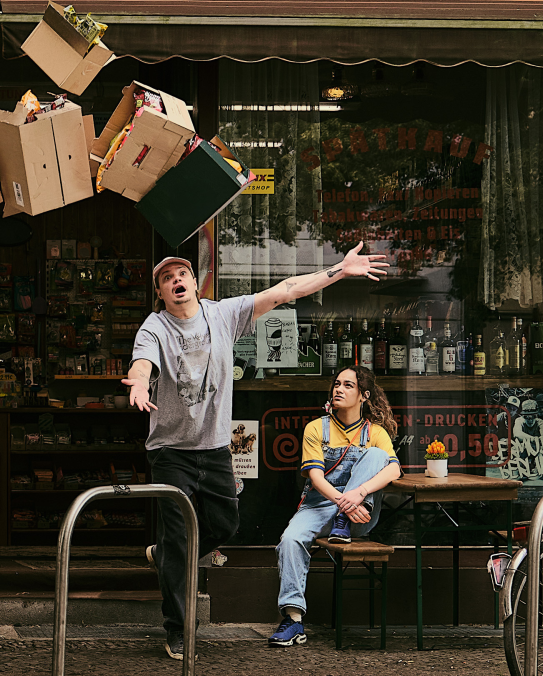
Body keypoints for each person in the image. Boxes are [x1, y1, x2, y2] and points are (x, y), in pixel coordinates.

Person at [124, 243, 386, 661]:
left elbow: (286, 290)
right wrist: (139, 382)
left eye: (182, 274)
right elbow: (143, 362)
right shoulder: (155, 327)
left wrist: (340, 269)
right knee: (177, 533)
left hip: (214, 449)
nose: (176, 281)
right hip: (171, 451)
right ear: (161, 292)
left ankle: (167, 554)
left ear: (194, 282)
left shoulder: (223, 314)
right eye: (167, 278)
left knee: (225, 525)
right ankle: (178, 628)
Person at [268, 365, 401, 647]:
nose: (339, 389)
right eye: (337, 384)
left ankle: (344, 520)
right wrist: (344, 504)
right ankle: (293, 620)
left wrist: (359, 494)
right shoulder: (317, 428)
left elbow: (394, 470)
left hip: (360, 515)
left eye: (348, 385)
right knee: (290, 540)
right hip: (321, 507)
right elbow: (316, 478)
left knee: (377, 456)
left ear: (364, 395)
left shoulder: (374, 432)